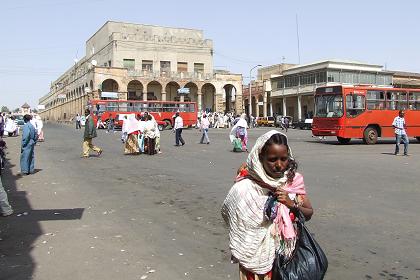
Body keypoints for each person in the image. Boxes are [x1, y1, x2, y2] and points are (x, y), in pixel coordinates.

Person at [221, 130, 313, 279]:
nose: (279, 165)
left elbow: (308, 213)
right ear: (260, 157)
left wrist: (291, 205)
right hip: (255, 261)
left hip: (287, 258)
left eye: (284, 159)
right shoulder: (246, 186)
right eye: (272, 159)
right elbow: (231, 215)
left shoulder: (292, 182)